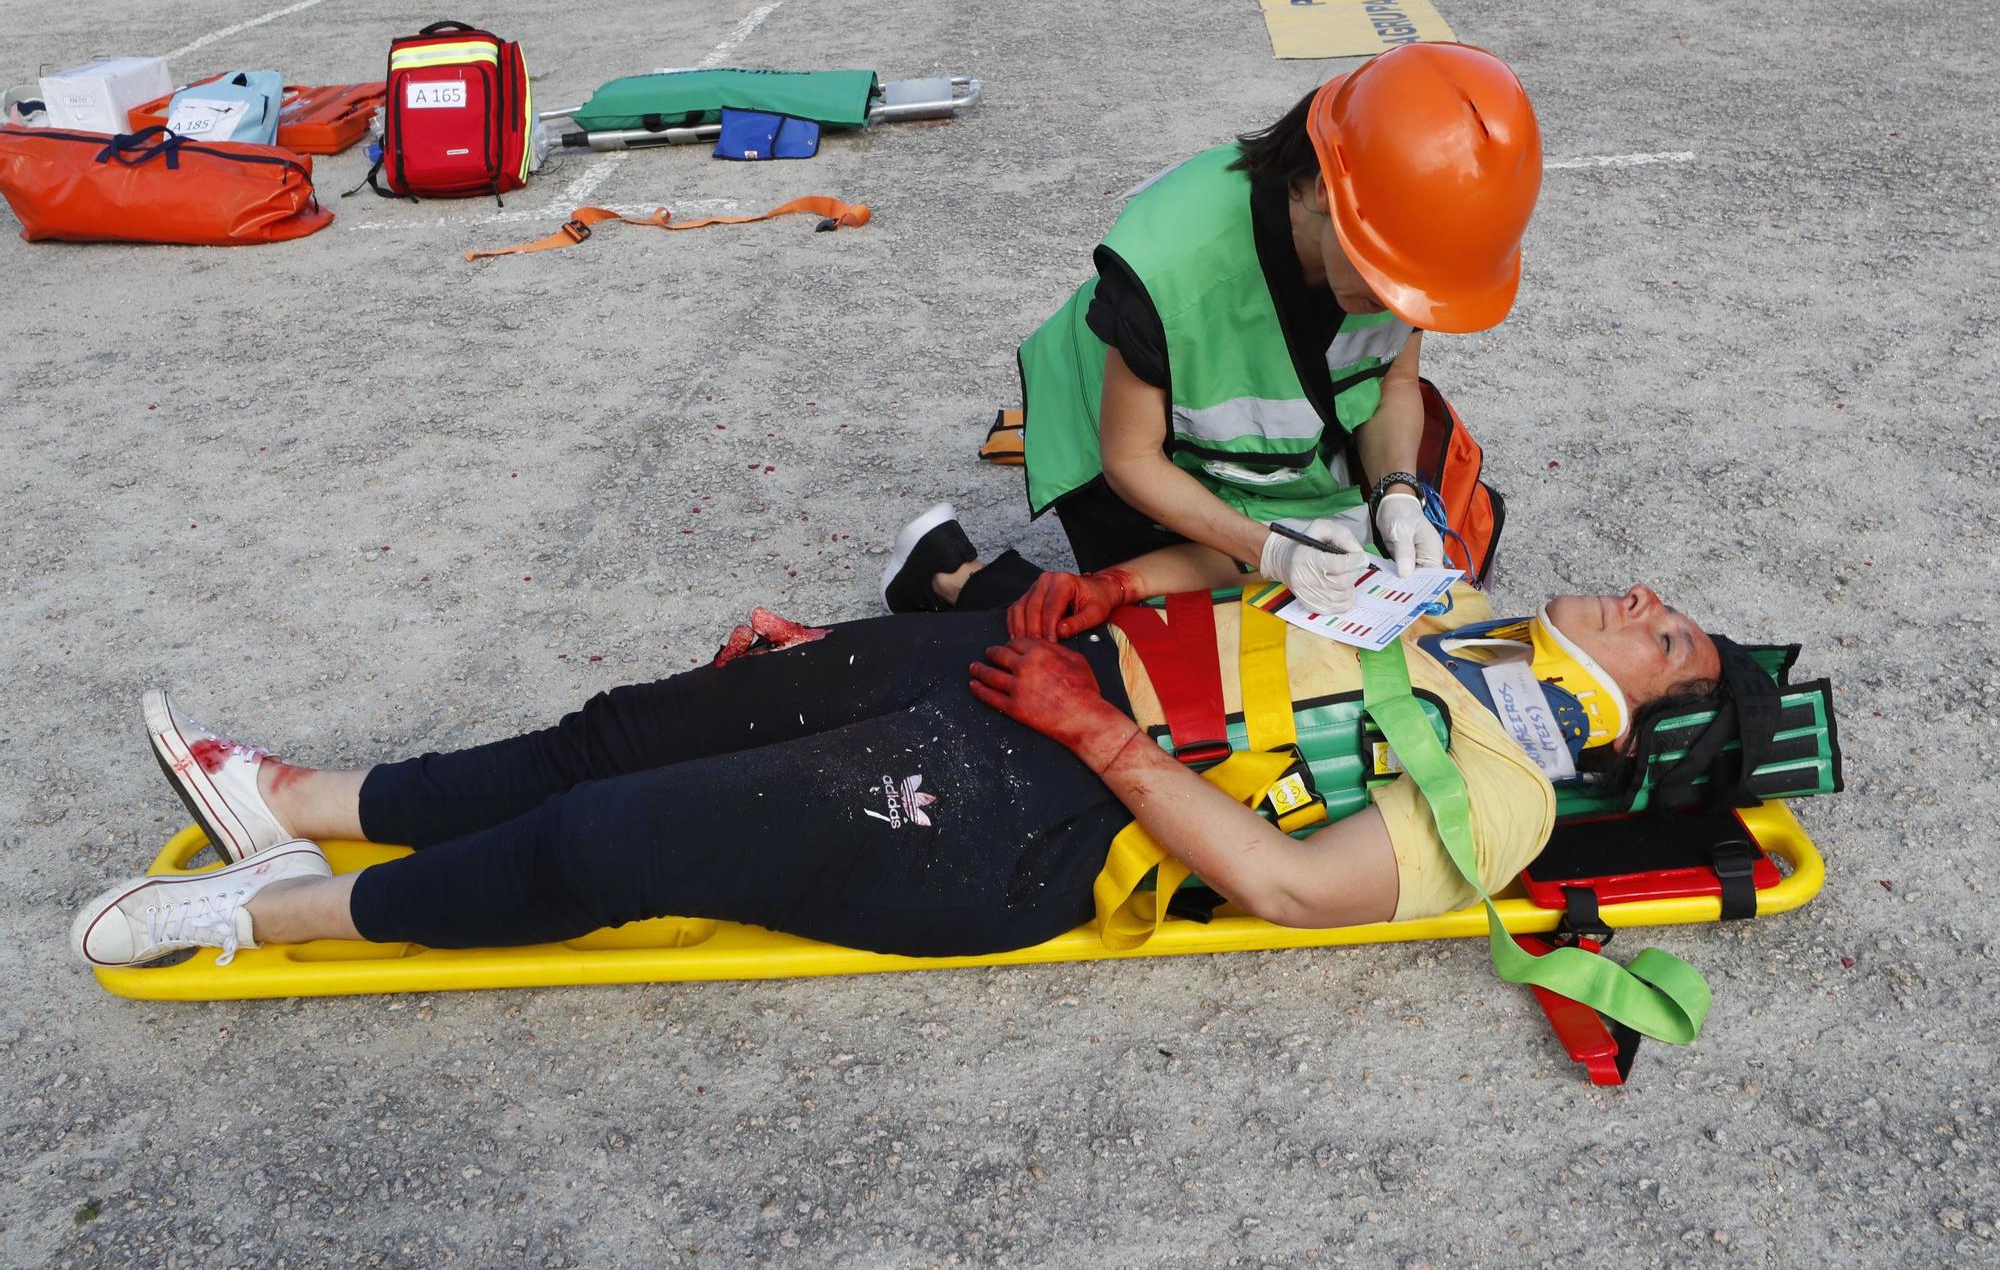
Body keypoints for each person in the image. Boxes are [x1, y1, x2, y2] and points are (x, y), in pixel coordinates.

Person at [73, 518, 1774, 973]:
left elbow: (1289, 881)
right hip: (1054, 667)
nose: (1643, 597)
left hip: (1043, 808)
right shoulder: (1455, 600)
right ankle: (291, 795)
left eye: (1671, 628)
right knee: (639, 722)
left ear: (1663, 704)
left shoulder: (1513, 785)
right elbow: (1243, 574)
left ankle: (261, 905)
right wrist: (1101, 590)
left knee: (618, 839)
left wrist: (1099, 728)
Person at [1004, 41, 1541, 617]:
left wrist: (1397, 493)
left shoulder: (1397, 235)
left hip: (1246, 459)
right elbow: (1132, 460)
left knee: (1337, 582)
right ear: (1321, 190)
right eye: (1385, 276)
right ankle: (952, 575)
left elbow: (1394, 386)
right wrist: (1271, 552)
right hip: (1118, 459)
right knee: (1166, 621)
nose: (1393, 305)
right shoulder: (1175, 269)